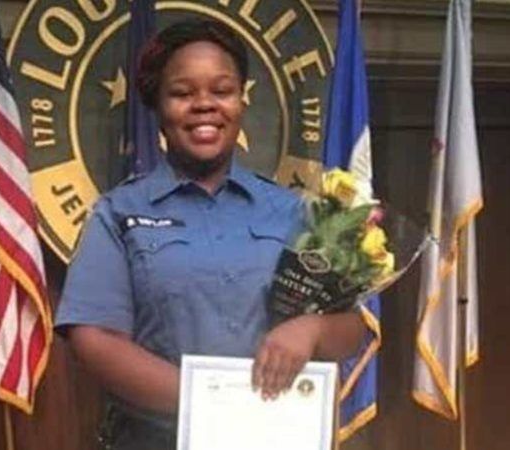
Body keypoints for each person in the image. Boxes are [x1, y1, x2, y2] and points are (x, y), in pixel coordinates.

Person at [55, 19, 366, 450]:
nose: (205, 105)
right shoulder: (118, 213)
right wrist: (213, 403)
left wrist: (311, 329)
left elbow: (353, 328)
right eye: (182, 93)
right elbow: (95, 339)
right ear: (157, 107)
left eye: (222, 90)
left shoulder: (293, 211)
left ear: (241, 100)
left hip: (274, 438)